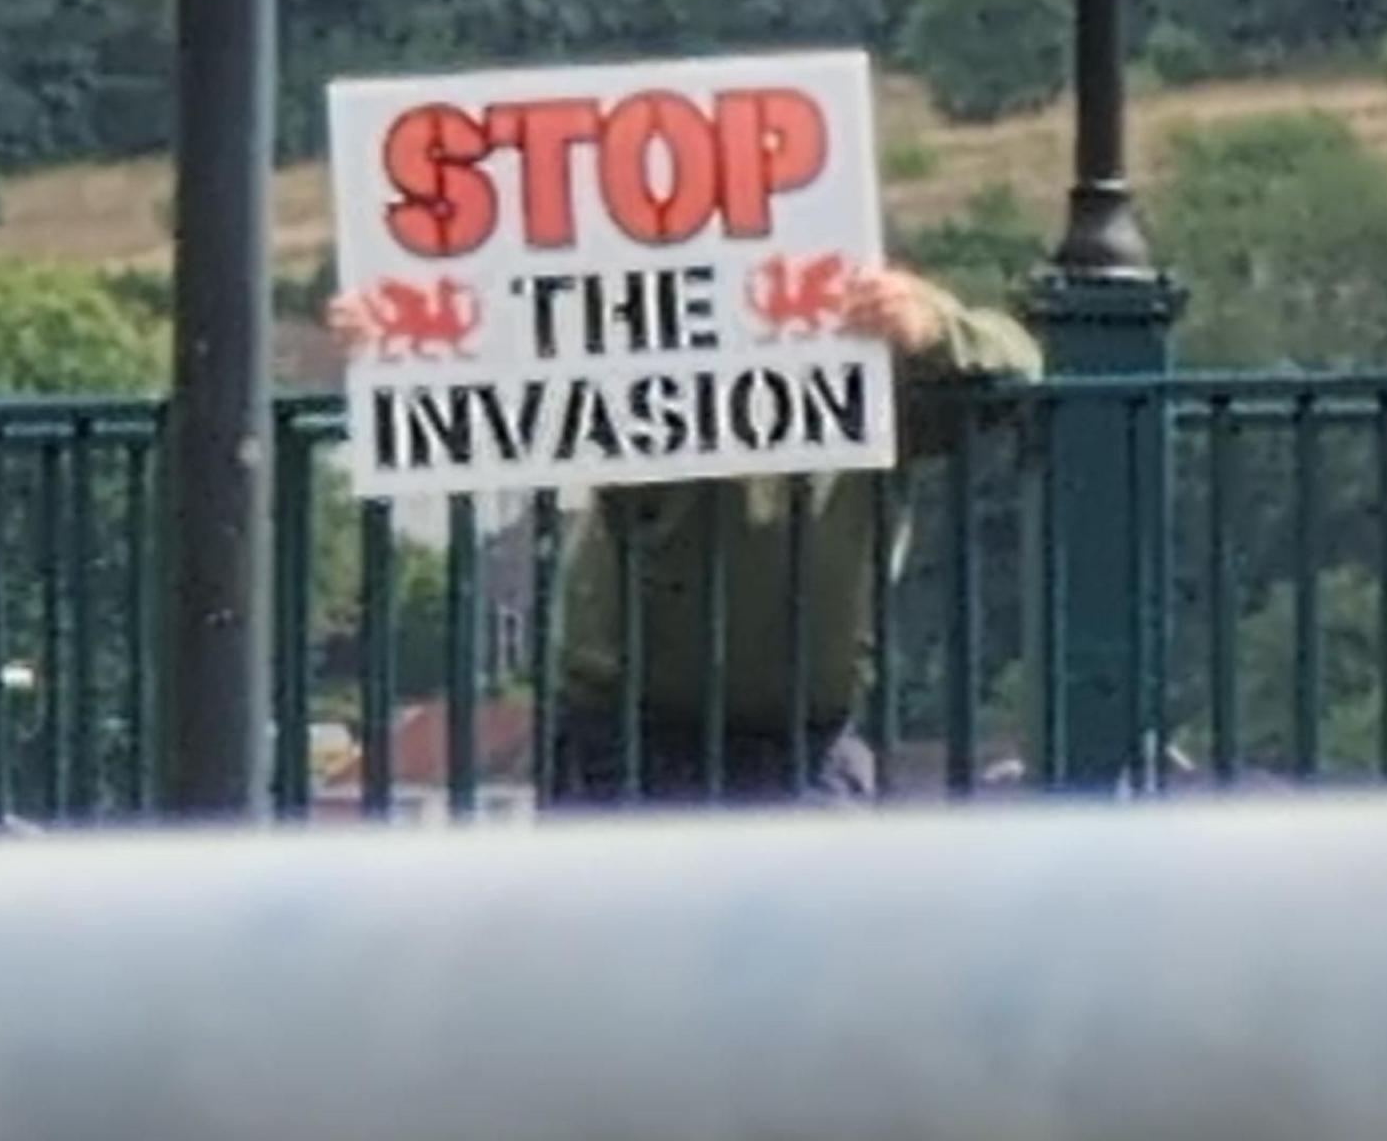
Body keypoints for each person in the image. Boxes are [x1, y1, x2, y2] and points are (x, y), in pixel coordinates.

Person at [333, 262, 1039, 804]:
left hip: (799, 737)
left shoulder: (866, 334)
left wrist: (928, 324)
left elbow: (1018, 363)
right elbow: (501, 366)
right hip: (625, 729)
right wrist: (399, 347)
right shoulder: (631, 319)